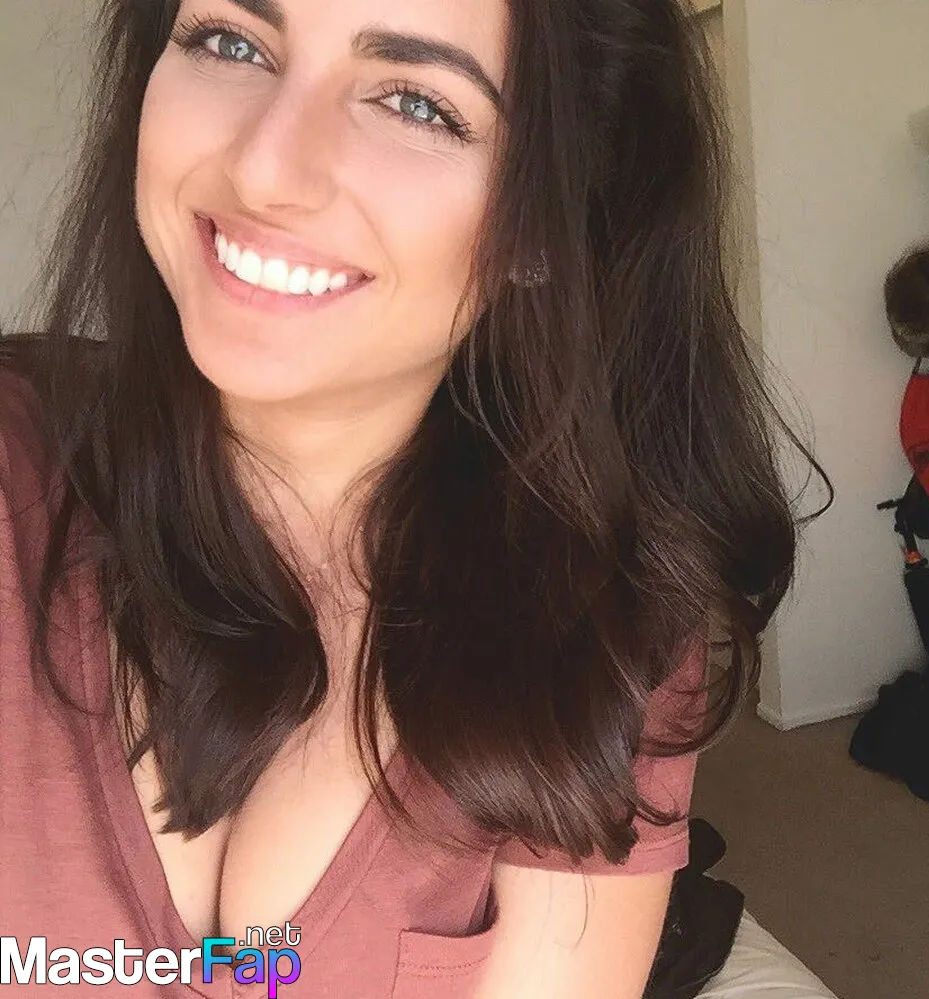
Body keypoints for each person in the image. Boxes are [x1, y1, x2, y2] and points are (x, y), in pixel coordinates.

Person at [0, 0, 819, 995]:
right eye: (230, 41)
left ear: (545, 225)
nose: (264, 168)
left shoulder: (602, 616)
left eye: (416, 104)